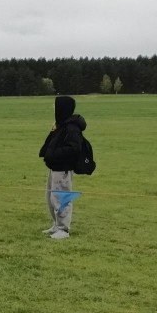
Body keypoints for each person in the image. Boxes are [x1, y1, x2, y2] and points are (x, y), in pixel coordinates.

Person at [39, 95, 86, 239]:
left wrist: (55, 154)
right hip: (54, 167)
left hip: (63, 168)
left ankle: (63, 229)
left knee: (62, 198)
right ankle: (56, 225)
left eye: (56, 105)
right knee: (51, 198)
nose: (54, 108)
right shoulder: (61, 126)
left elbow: (74, 148)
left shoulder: (71, 128)